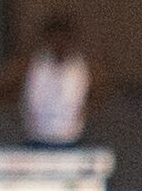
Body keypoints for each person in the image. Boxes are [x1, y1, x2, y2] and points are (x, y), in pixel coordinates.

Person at [19, 16, 91, 147]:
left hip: (69, 138)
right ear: (47, 40)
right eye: (54, 39)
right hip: (37, 138)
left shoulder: (81, 68)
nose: (59, 44)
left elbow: (86, 101)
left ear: (70, 41)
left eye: (63, 39)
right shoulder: (33, 65)